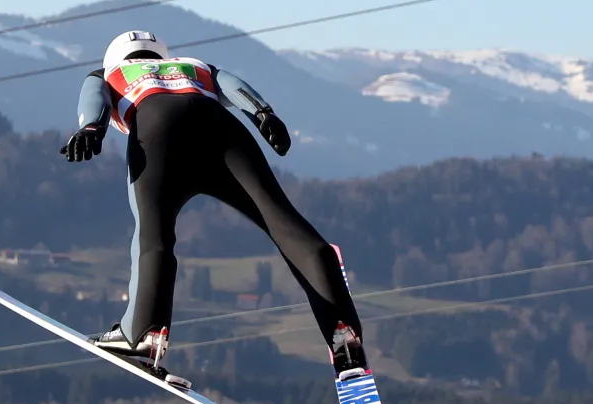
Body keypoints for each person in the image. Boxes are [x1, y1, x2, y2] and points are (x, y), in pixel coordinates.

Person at [60, 30, 368, 385]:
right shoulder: (192, 65)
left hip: (157, 128)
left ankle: (143, 335)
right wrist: (264, 114)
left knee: (154, 236)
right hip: (221, 130)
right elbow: (233, 85)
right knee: (286, 225)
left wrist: (90, 129)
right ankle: (344, 335)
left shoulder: (109, 72)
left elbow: (94, 96)